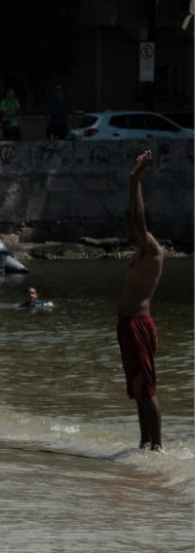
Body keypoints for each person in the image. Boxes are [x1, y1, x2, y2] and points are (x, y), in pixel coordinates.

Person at [118, 150, 163, 451]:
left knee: (147, 388)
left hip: (138, 325)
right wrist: (135, 181)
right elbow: (136, 220)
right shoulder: (142, 251)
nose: (131, 229)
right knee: (137, 388)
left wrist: (134, 181)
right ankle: (145, 445)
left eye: (135, 228)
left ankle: (157, 448)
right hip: (128, 326)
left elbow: (138, 218)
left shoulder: (152, 249)